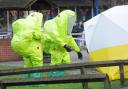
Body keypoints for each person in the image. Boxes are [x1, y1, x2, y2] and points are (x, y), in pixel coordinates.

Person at [42, 10, 83, 77]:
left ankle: (60, 78)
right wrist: (65, 45)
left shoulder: (66, 30)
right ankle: (53, 78)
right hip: (56, 48)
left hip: (63, 50)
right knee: (55, 63)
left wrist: (78, 51)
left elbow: (70, 39)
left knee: (66, 63)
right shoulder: (52, 25)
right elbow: (55, 36)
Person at [11, 12, 43, 79]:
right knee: (37, 63)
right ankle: (37, 80)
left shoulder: (24, 25)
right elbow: (38, 36)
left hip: (24, 48)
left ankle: (26, 78)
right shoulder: (35, 26)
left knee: (27, 63)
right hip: (34, 48)